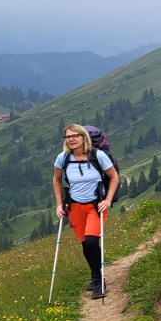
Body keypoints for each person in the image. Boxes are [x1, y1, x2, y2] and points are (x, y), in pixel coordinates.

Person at [52, 124, 119, 299]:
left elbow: (114, 177)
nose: (71, 139)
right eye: (68, 137)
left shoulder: (98, 156)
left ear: (84, 138)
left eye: (75, 136)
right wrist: (60, 204)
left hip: (95, 206)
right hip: (74, 207)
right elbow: (57, 180)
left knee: (91, 242)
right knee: (85, 244)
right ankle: (95, 275)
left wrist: (108, 200)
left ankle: (98, 281)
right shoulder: (63, 158)